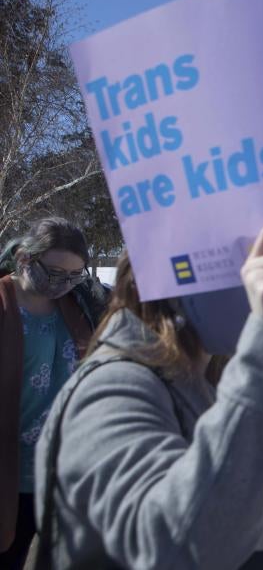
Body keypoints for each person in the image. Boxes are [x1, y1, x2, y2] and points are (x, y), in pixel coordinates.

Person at [34, 223, 263, 569]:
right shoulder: (114, 390)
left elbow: (232, 513)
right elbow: (178, 545)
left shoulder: (194, 381)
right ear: (182, 277)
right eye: (253, 268)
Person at [0, 218, 101, 570]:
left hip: (62, 476)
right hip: (9, 476)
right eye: (56, 272)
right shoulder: (4, 302)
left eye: (75, 275)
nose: (64, 283)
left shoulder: (79, 305)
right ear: (25, 258)